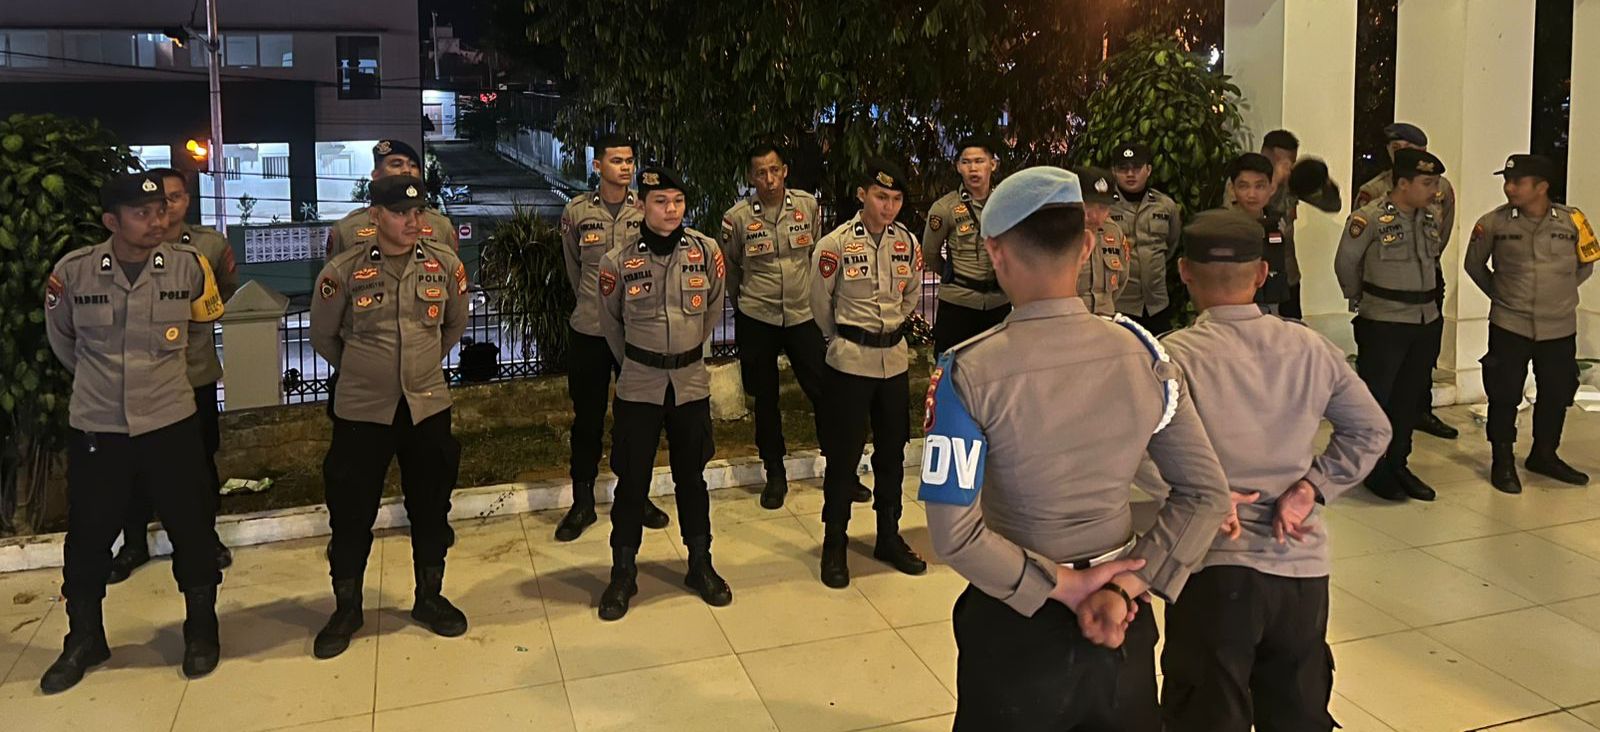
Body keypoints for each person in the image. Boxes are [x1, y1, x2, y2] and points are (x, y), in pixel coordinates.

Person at [921, 166, 1231, 730]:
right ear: (1087, 246)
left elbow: (954, 535)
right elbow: (1206, 495)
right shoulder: (1146, 357)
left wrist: (1063, 585)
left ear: (994, 251)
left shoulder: (967, 374)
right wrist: (1123, 587)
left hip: (1015, 620)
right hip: (1121, 616)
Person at [1156, 210, 1391, 731]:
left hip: (1210, 566)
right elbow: (1372, 429)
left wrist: (1206, 498)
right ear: (1263, 274)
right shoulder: (1310, 347)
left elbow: (1135, 449)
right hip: (1300, 568)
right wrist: (1311, 488)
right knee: (1297, 714)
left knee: (1206, 716)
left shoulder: (1171, 358)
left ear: (1184, 272)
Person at [41, 172, 227, 692]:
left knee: (192, 527)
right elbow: (64, 342)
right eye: (142, 213)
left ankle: (201, 628)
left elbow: (198, 328)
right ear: (111, 221)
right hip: (99, 426)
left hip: (170, 421)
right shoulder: (74, 273)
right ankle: (84, 637)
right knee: (88, 536)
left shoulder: (188, 266)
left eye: (161, 210)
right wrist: (105, 383)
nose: (157, 220)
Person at [307, 176, 471, 659]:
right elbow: (323, 336)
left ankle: (429, 596)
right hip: (362, 410)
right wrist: (367, 371)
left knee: (431, 504)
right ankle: (347, 606)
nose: (412, 221)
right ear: (376, 215)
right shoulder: (343, 271)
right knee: (351, 509)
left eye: (418, 212)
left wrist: (419, 367)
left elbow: (454, 325)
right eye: (401, 213)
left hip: (426, 406)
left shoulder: (444, 265)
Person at [595, 167, 732, 620]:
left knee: (692, 477)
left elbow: (712, 309)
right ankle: (623, 571)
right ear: (641, 205)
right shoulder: (617, 261)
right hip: (639, 383)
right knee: (632, 481)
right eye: (660, 201)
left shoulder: (705, 252)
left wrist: (683, 352)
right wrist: (643, 359)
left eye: (677, 201)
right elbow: (611, 323)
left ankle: (700, 563)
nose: (671, 210)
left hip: (690, 382)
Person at [105, 167, 237, 585]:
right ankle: (134, 542)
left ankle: (205, 538)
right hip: (137, 380)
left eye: (173, 199)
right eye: (154, 203)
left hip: (192, 374)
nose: (164, 209)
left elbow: (222, 292)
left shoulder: (209, 246)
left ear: (186, 201)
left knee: (198, 462)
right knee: (133, 464)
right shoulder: (122, 250)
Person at [810, 158, 929, 589]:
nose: (889, 206)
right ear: (863, 195)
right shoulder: (835, 244)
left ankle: (888, 536)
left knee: (892, 454)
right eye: (881, 197)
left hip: (893, 362)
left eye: (896, 199)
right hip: (850, 362)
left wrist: (889, 329)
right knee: (843, 457)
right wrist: (846, 337)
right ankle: (834, 542)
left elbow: (911, 294)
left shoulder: (907, 243)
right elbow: (819, 303)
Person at [554, 134, 670, 541]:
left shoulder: (647, 207)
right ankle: (582, 501)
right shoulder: (577, 212)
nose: (625, 167)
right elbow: (574, 266)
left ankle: (636, 496)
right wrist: (594, 305)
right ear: (597, 166)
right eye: (616, 160)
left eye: (629, 160)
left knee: (636, 421)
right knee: (587, 419)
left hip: (637, 332)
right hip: (590, 330)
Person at [1464, 154, 1597, 494]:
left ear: (1542, 186)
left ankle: (1544, 454)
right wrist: (1502, 296)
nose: (1509, 188)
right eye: (1506, 181)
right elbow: (1474, 265)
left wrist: (1559, 294)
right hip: (1510, 324)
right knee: (1504, 393)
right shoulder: (1493, 223)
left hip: (1559, 327)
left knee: (1556, 392)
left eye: (1517, 182)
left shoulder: (1573, 220)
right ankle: (1502, 460)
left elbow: (1586, 264)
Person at [720, 142, 831, 509]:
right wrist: (745, 305)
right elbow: (731, 269)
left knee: (823, 391)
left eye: (774, 170)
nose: (769, 179)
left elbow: (815, 255)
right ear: (751, 177)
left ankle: (839, 468)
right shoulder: (736, 218)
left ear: (785, 171)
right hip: (758, 317)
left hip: (802, 315)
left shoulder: (807, 206)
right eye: (760, 173)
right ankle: (775, 473)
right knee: (765, 399)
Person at [1335, 149, 1448, 502]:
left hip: (1425, 319)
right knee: (1377, 399)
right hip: (1384, 321)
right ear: (1403, 184)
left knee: (1408, 399)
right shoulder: (1368, 218)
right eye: (1427, 182)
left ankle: (1398, 462)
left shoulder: (1430, 217)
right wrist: (1361, 298)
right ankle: (1373, 467)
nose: (1434, 190)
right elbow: (1345, 264)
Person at [1356, 122, 1460, 441]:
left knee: (1424, 352)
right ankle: (1378, 428)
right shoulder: (1374, 189)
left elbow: (1442, 232)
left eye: (1406, 149)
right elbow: (1356, 250)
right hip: (1386, 287)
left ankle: (1420, 411)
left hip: (1427, 278)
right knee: (1383, 366)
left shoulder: (1441, 188)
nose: (1398, 153)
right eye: (1394, 148)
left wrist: (1424, 262)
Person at [923, 134, 1009, 353]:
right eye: (966, 162)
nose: (973, 169)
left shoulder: (1006, 204)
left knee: (998, 365)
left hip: (998, 303)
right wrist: (952, 275)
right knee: (951, 366)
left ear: (993, 165)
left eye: (979, 161)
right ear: (958, 167)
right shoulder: (945, 208)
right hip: (958, 304)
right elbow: (930, 254)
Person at [325, 139, 458, 258]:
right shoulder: (346, 230)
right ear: (376, 175)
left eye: (413, 165)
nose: (407, 170)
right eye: (396, 164)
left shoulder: (440, 225)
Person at [1110, 142, 1183, 334]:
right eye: (1123, 168)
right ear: (1114, 172)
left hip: (1157, 304)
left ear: (1148, 170)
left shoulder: (1165, 205)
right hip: (1120, 303)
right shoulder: (1105, 207)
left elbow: (1171, 244)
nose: (1130, 174)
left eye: (1136, 168)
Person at [1222, 153, 1293, 314]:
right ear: (1232, 189)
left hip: (1272, 307)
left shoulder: (1277, 223)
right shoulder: (1221, 227)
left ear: (1271, 188)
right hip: (1233, 310)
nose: (1252, 194)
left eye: (1259, 186)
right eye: (1244, 186)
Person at [1073, 166, 1131, 316]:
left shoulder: (1114, 232)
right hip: (1069, 321)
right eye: (1087, 204)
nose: (1094, 215)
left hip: (1105, 320)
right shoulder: (1059, 234)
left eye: (1102, 207)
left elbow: (1122, 281)